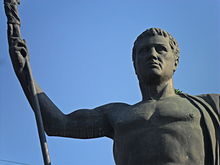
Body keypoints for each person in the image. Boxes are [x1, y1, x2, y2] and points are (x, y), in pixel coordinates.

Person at [10, 28, 219, 165]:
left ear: (175, 61)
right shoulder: (117, 114)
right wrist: (24, 72)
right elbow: (57, 124)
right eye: (144, 51)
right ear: (134, 64)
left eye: (160, 49)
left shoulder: (208, 105)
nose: (152, 54)